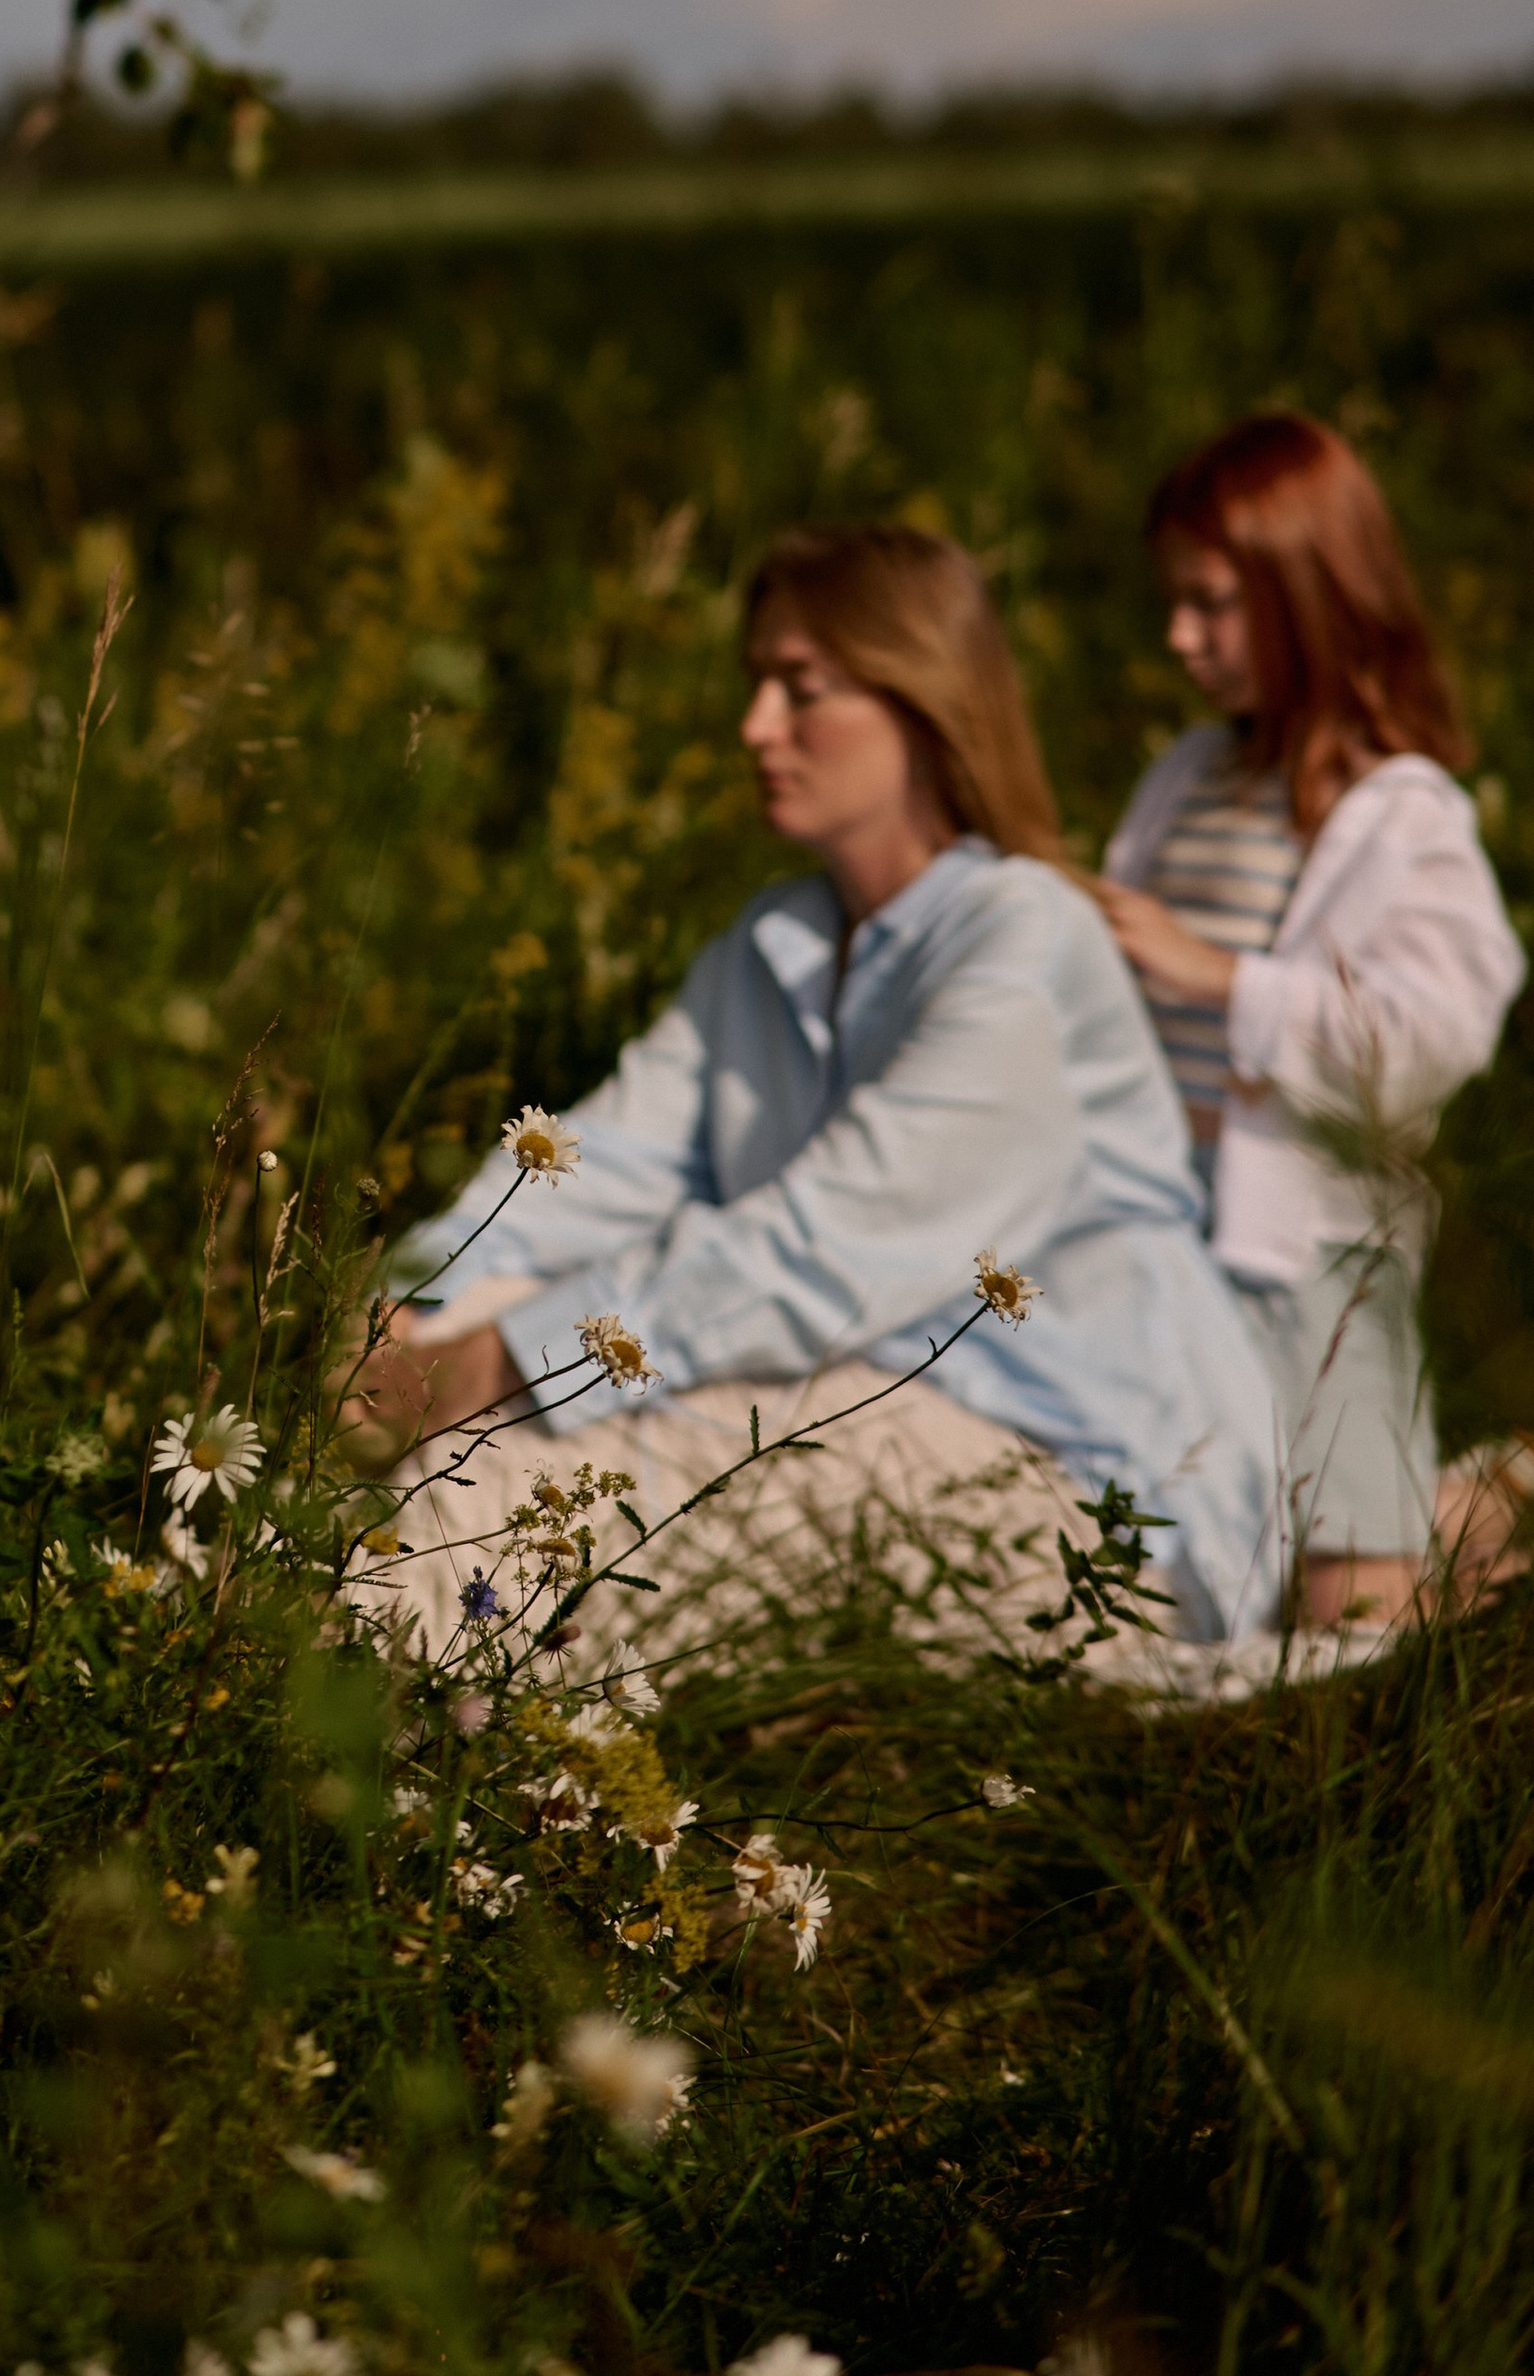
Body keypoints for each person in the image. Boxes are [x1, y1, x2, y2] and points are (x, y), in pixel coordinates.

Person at [356, 523, 1285, 1660]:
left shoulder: (1023, 936)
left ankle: (321, 1710)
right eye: (755, 682)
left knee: (534, 1495)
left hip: (1090, 1484)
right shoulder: (774, 943)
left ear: (921, 700)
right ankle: (245, 1655)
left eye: (800, 687)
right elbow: (602, 1161)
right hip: (859, 1394)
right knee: (468, 1454)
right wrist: (412, 1308)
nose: (756, 725)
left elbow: (830, 1244)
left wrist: (507, 1358)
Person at [1096, 413, 1525, 1634]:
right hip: (1155, 1235)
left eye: (1212, 603)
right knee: (1209, 1576)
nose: (1180, 637)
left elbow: (1423, 1043)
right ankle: (1461, 1502)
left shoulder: (1403, 812)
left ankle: (1480, 1518)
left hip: (1318, 1259)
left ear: (1310, 592)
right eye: (1171, 602)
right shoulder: (1185, 775)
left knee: (1349, 1619)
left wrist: (1219, 979)